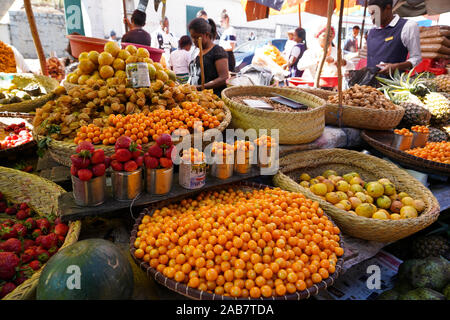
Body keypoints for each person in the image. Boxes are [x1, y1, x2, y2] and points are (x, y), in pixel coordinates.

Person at [366, 0, 421, 74]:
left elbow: (416, 58)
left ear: (388, 8)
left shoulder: (407, 26)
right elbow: (370, 60)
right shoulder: (371, 31)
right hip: (370, 84)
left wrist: (396, 66)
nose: (372, 18)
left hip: (392, 83)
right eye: (370, 14)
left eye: (375, 13)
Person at [188, 18, 229, 96]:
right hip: (196, 99)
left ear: (206, 35)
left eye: (197, 37)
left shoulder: (217, 51)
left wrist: (201, 87)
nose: (194, 40)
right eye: (192, 37)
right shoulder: (196, 52)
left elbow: (224, 78)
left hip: (213, 99)